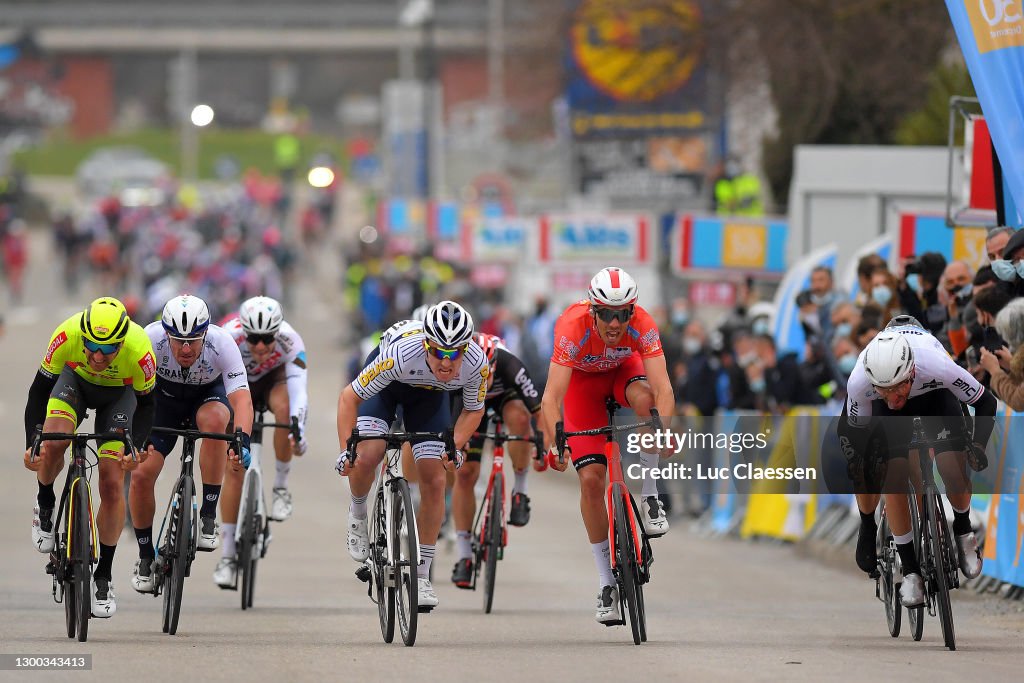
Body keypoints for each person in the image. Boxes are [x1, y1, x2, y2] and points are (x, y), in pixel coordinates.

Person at [537, 267, 675, 625]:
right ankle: (605, 582)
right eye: (606, 314)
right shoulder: (571, 327)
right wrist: (556, 443)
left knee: (647, 402)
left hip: (623, 375)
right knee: (592, 481)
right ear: (593, 311)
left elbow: (664, 388)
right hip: (584, 388)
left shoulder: (643, 323)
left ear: (632, 311)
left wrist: (663, 431)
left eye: (622, 314)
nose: (615, 323)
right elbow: (551, 397)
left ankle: (648, 495)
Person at [336, 300, 487, 609]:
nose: (446, 362)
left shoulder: (477, 364)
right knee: (370, 453)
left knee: (434, 478)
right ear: (426, 344)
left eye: (454, 354)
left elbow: (474, 409)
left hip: (429, 400)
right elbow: (348, 398)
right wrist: (346, 450)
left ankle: (420, 576)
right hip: (387, 389)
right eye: (439, 352)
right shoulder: (399, 356)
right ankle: (358, 514)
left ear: (466, 349)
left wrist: (455, 445)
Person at [838, 316, 996, 607]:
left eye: (897, 388)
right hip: (885, 418)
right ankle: (909, 569)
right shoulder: (861, 381)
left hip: (935, 397)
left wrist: (977, 446)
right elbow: (854, 434)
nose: (892, 397)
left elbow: (986, 402)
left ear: (910, 373)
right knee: (890, 477)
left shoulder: (937, 365)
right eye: (883, 390)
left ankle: (963, 527)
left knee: (953, 468)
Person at [23, 297, 157, 618]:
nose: (98, 356)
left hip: (118, 398)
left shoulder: (140, 349)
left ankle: (103, 576)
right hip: (74, 385)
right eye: (91, 346)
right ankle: (45, 503)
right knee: (54, 443)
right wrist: (33, 443)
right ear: (81, 337)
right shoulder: (66, 334)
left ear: (121, 343)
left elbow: (149, 406)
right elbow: (38, 392)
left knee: (112, 484)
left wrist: (135, 447)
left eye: (108, 349)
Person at [128, 295, 254, 593]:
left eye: (194, 341)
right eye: (178, 341)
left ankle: (208, 514)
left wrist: (242, 439)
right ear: (166, 333)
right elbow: (130, 392)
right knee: (141, 475)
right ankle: (146, 557)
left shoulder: (222, 343)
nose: (186, 349)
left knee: (214, 425)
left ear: (206, 333)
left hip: (207, 397)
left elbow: (241, 399)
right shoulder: (149, 338)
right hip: (162, 403)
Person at [214, 296, 308, 587]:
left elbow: (299, 390)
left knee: (284, 410)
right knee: (234, 469)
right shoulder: (228, 337)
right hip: (238, 385)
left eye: (267, 339)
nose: (260, 347)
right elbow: (215, 384)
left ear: (277, 333)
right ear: (245, 333)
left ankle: (280, 487)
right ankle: (228, 556)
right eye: (254, 339)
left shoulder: (291, 341)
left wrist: (298, 426)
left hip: (272, 382)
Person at [450, 332, 542, 588]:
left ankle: (520, 492)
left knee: (521, 419)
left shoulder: (509, 364)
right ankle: (465, 555)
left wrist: (546, 446)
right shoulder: (458, 369)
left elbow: (538, 410)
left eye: (487, 372)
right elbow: (453, 419)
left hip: (506, 398)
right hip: (470, 406)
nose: (484, 378)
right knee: (466, 473)